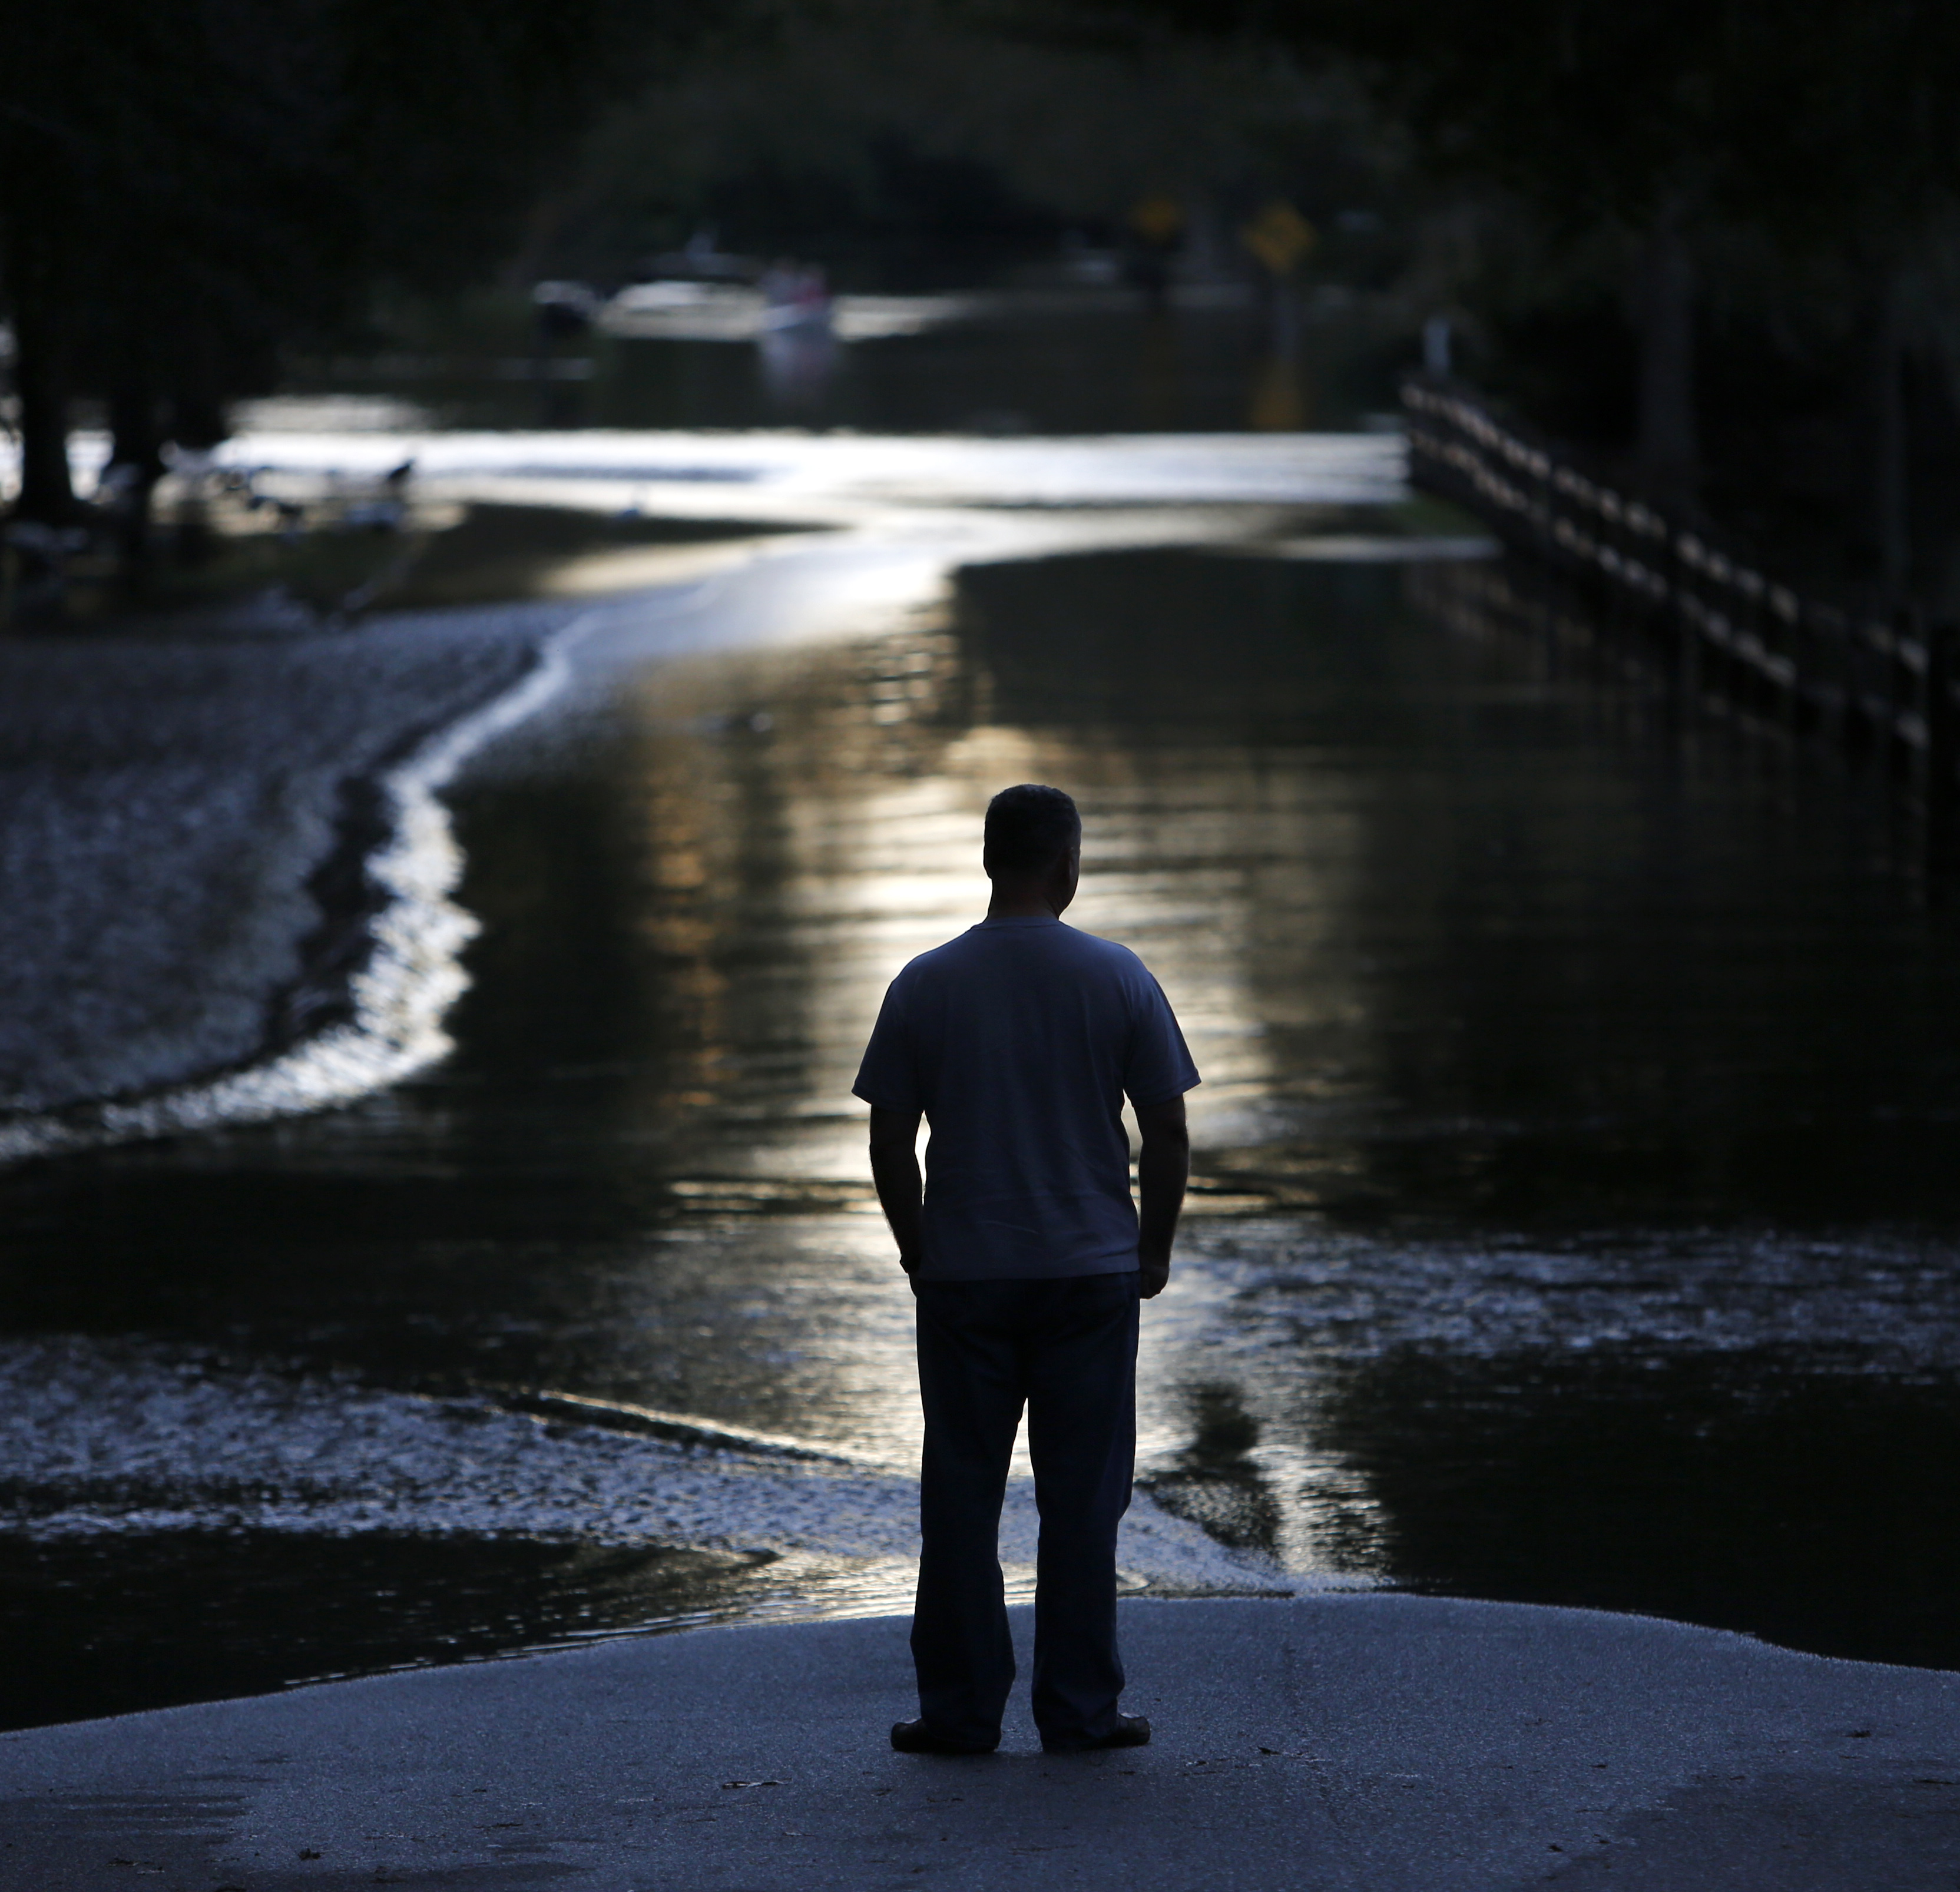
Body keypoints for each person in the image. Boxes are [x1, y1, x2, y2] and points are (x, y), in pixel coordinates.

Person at [853, 783, 1198, 1755]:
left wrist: (916, 1243)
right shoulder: (1117, 975)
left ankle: (961, 1711)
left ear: (990, 860)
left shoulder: (926, 981)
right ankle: (1080, 1711)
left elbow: (889, 1133)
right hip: (1090, 1275)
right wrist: (1154, 1247)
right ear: (1067, 866)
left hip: (966, 1274)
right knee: (1082, 1498)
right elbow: (1166, 1125)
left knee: (961, 1494)